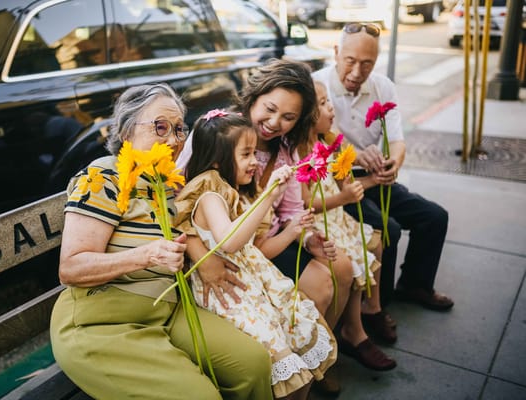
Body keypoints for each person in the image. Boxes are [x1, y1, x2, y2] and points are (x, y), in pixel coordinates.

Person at [49, 83, 273, 400]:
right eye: (160, 127)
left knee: (254, 364)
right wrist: (147, 255)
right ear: (127, 132)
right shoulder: (103, 177)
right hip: (103, 324)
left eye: (179, 129)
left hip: (167, 313)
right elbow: (71, 268)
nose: (173, 139)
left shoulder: (165, 184)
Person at [175, 110, 337, 400]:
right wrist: (268, 194)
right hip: (230, 297)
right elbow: (230, 242)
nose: (254, 162)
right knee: (281, 359)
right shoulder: (210, 195)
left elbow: (251, 246)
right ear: (216, 159)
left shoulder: (230, 193)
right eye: (246, 154)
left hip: (253, 288)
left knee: (294, 344)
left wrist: (289, 227)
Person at [312, 22, 454, 311]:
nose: (356, 72)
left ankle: (415, 285)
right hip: (338, 182)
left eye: (367, 64)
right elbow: (325, 137)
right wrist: (355, 155)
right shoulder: (317, 85)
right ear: (336, 52)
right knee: (388, 229)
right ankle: (377, 308)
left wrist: (393, 165)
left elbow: (398, 140)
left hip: (376, 176)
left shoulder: (383, 86)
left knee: (434, 217)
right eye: (350, 61)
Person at [299, 80, 397, 363]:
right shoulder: (301, 154)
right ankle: (354, 331)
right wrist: (344, 197)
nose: (331, 108)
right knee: (355, 256)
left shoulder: (328, 142)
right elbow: (307, 202)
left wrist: (367, 181)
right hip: (321, 221)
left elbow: (347, 181)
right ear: (307, 115)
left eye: (328, 101)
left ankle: (371, 310)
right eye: (322, 104)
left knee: (375, 243)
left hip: (338, 217)